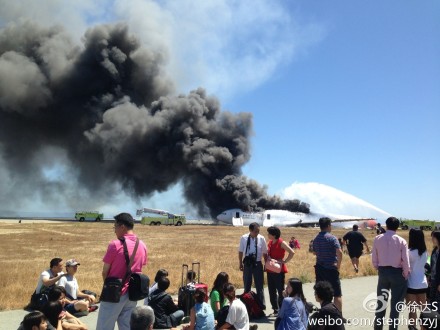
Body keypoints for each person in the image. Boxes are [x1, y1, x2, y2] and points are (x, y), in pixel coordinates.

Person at [96, 213, 148, 330]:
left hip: (114, 293)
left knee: (104, 326)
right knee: (127, 326)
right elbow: (140, 267)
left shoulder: (115, 244)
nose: (114, 230)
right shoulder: (142, 245)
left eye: (115, 227)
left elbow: (105, 272)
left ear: (122, 227)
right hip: (132, 294)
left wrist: (108, 288)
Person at [371, 216, 410, 330]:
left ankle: (377, 328)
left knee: (381, 303)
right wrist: (406, 273)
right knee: (395, 306)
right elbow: (406, 260)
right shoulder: (401, 241)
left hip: (383, 271)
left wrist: (377, 267)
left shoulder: (377, 238)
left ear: (386, 225)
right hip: (397, 273)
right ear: (397, 227)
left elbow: (374, 256)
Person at [312, 217, 343, 312]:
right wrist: (338, 265)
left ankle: (325, 312)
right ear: (329, 226)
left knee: (323, 292)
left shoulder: (316, 239)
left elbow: (314, 252)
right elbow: (339, 252)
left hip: (320, 268)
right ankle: (338, 315)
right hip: (331, 268)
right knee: (337, 294)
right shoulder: (332, 238)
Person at [266, 226, 295, 316]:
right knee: (271, 291)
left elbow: (292, 252)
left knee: (280, 290)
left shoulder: (281, 242)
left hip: (278, 270)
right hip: (270, 269)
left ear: (274, 235)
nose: (268, 235)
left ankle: (283, 309)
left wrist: (285, 261)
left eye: (269, 233)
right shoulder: (270, 242)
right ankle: (275, 309)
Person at [238, 222, 268, 309]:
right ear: (250, 230)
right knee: (247, 283)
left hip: (258, 263)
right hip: (247, 263)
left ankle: (261, 304)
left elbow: (265, 253)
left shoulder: (261, 238)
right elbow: (240, 251)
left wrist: (266, 264)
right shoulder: (244, 238)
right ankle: (247, 304)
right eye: (255, 231)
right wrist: (240, 263)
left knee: (259, 285)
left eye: (258, 231)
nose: (257, 233)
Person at [406, 228, 428, 329]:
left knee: (412, 309)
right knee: (423, 310)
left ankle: (413, 327)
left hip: (411, 284)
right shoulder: (425, 252)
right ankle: (425, 327)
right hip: (423, 283)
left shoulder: (409, 252)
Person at [429, 232, 440, 305]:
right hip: (433, 279)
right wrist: (429, 278)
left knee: (438, 301)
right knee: (432, 300)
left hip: (438, 280)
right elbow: (432, 266)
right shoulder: (434, 250)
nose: (432, 239)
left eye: (433, 238)